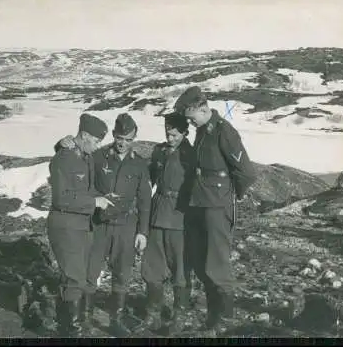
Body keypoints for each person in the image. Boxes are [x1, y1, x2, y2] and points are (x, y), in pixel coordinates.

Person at [57, 113, 152, 337]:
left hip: (126, 227)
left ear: (134, 139)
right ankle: (85, 318)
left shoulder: (139, 164)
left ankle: (115, 320)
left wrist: (143, 232)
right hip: (99, 224)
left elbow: (145, 200)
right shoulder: (99, 156)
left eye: (128, 139)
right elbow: (73, 160)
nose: (122, 143)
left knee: (122, 274)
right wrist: (60, 144)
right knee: (91, 272)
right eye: (119, 137)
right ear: (113, 135)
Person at [174, 86, 257, 336]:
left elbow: (246, 172)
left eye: (191, 117)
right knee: (202, 262)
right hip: (200, 204)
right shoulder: (203, 131)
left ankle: (226, 318)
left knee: (218, 263)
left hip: (217, 206)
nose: (188, 121)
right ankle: (213, 314)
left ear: (203, 109)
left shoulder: (224, 132)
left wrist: (233, 196)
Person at [47, 113, 114, 337]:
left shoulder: (85, 157)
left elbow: (85, 189)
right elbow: (61, 198)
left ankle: (70, 325)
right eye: (95, 141)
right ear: (84, 135)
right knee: (74, 277)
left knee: (79, 277)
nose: (96, 147)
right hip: (66, 225)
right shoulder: (63, 159)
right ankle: (71, 331)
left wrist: (103, 196)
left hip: (81, 226)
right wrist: (93, 202)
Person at [140, 112, 196, 335]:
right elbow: (150, 179)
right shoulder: (159, 151)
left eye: (174, 134)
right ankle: (152, 314)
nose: (170, 138)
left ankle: (179, 316)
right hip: (157, 214)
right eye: (167, 133)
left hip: (180, 218)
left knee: (180, 270)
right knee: (152, 267)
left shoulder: (191, 155)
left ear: (184, 132)